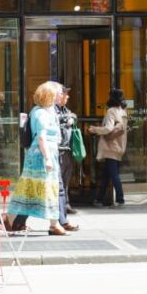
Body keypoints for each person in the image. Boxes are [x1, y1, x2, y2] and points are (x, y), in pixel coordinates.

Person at [5, 82, 69, 236]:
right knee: (42, 188)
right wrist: (47, 158)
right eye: (54, 94)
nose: (57, 97)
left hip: (46, 154)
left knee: (34, 189)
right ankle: (53, 225)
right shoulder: (40, 113)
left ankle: (9, 219)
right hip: (40, 156)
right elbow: (41, 137)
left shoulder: (47, 111)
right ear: (49, 96)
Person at [90, 88, 128, 208]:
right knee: (106, 175)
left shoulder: (111, 111)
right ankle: (99, 199)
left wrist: (94, 129)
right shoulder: (123, 111)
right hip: (119, 146)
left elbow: (108, 129)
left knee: (114, 174)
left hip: (111, 147)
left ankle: (120, 199)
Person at [55, 86, 79, 231]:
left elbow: (74, 116)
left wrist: (71, 117)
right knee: (59, 188)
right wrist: (67, 119)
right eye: (65, 94)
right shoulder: (53, 110)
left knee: (64, 183)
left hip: (66, 151)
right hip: (57, 152)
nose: (67, 96)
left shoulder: (65, 110)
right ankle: (61, 219)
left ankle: (64, 209)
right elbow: (57, 120)